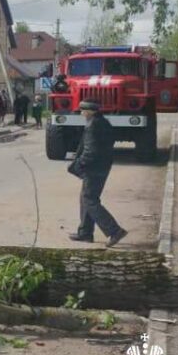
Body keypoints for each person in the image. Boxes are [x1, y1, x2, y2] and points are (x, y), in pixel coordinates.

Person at [67, 100, 127, 247]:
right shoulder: (104, 122)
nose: (81, 113)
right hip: (103, 165)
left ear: (89, 111)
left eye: (82, 110)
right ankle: (85, 233)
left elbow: (90, 150)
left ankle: (115, 231)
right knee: (86, 198)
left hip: (93, 168)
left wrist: (80, 164)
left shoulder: (92, 125)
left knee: (89, 199)